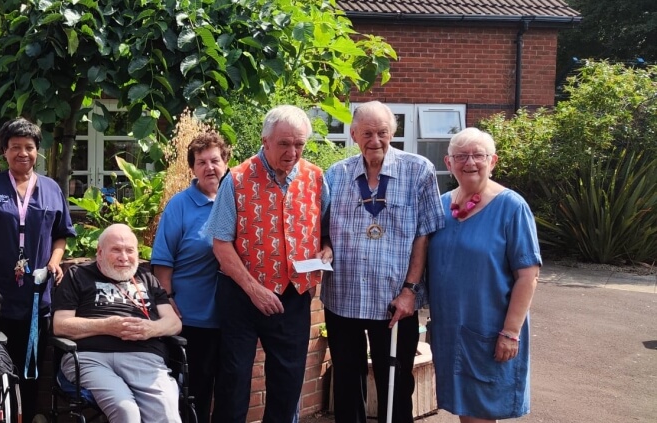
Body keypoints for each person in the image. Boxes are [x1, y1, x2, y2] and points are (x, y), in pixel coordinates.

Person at [205, 105, 332, 423]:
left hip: (294, 296)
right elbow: (221, 243)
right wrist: (254, 289)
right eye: (284, 144)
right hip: (241, 295)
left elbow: (327, 232)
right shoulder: (235, 179)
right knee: (233, 381)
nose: (292, 152)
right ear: (265, 141)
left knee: (288, 384)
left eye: (299, 144)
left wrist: (326, 251)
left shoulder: (316, 178)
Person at [323, 101, 446, 423]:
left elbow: (424, 235)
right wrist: (324, 247)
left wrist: (410, 290)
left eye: (382, 132)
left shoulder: (418, 170)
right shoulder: (337, 174)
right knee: (347, 386)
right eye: (367, 133)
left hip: (394, 302)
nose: (375, 140)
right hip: (342, 298)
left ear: (393, 132)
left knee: (396, 384)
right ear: (353, 135)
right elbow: (321, 228)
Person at [0, 117, 75, 421]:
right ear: (4, 150)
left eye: (28, 147)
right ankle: (2, 415)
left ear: (37, 151)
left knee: (34, 363)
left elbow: (61, 234)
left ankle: (31, 414)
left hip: (38, 296)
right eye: (15, 147)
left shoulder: (52, 189)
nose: (22, 153)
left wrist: (55, 260)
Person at [427, 128, 541, 422]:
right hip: (451, 330)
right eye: (461, 156)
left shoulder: (511, 207)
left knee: (482, 413)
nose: (470, 162)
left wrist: (511, 332)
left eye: (479, 155)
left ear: (493, 161)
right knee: (465, 411)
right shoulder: (441, 206)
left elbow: (528, 276)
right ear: (449, 162)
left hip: (492, 331)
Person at [53, 224, 183, 423]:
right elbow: (60, 325)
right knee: (126, 411)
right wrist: (106, 326)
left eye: (130, 250)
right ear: (100, 252)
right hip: (91, 358)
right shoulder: (78, 275)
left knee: (167, 415)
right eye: (116, 250)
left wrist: (152, 329)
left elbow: (173, 322)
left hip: (144, 357)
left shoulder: (147, 278)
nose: (124, 257)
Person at [150, 131, 230, 423]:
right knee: (193, 393)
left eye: (215, 160)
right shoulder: (180, 206)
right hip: (191, 318)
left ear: (226, 161)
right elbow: (162, 262)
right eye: (201, 162)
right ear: (193, 169)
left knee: (229, 390)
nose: (210, 167)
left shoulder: (237, 199)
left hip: (232, 318)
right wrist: (168, 301)